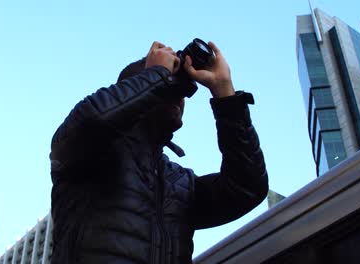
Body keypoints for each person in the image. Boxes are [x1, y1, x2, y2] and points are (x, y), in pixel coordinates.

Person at [50, 40, 268, 264]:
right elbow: (92, 121)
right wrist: (158, 75)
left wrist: (225, 95)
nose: (178, 97)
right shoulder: (90, 152)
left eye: (180, 91)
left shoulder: (181, 185)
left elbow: (247, 188)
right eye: (169, 85)